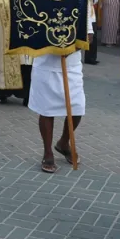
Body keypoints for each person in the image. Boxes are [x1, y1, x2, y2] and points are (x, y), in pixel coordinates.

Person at [28, 16, 93, 173]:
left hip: (71, 65)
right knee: (46, 109)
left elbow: (88, 35)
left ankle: (64, 142)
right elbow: (30, 32)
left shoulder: (79, 1)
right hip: (45, 64)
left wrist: (69, 49)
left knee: (77, 107)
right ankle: (47, 152)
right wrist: (53, 46)